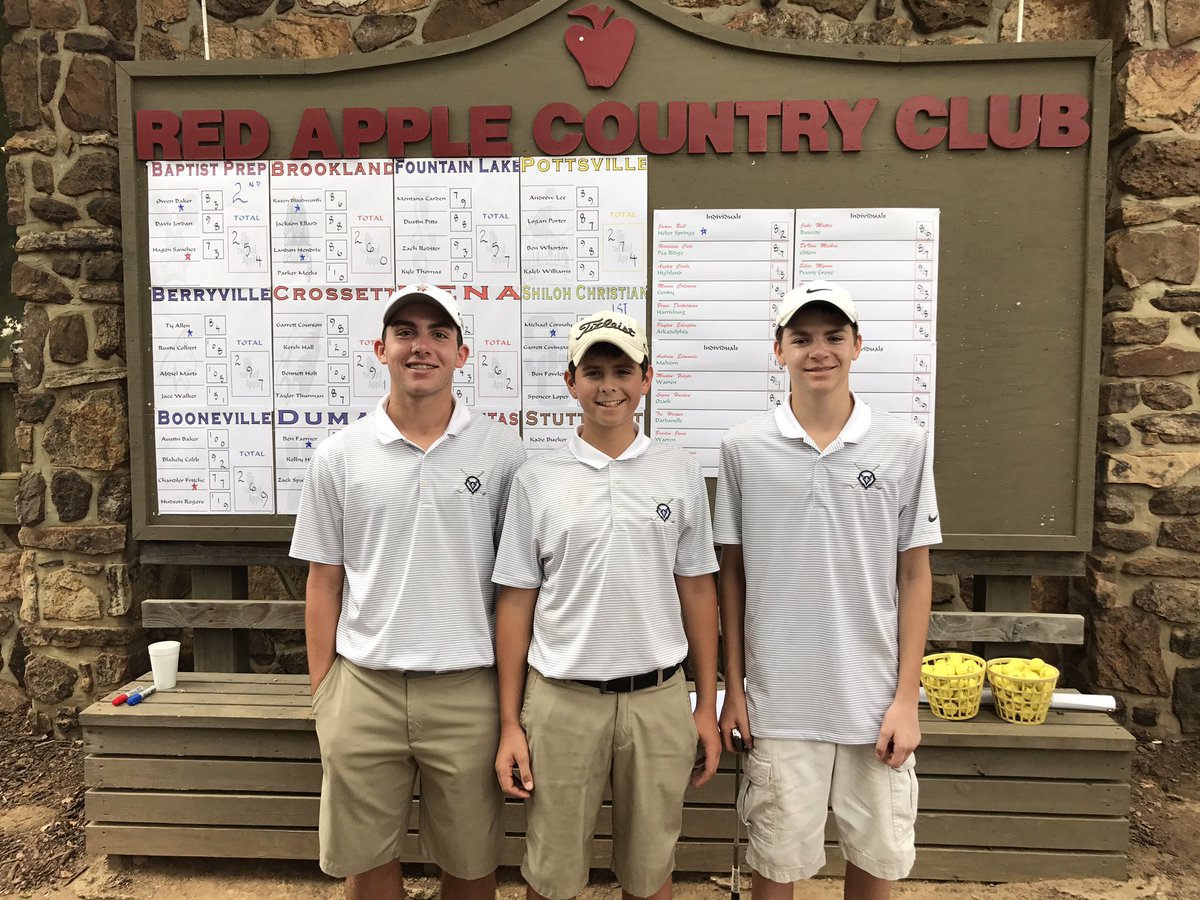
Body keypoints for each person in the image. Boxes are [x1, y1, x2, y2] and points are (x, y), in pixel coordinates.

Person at [290, 284, 526, 900]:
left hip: (467, 690)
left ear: (461, 353)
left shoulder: (503, 454)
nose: (421, 346)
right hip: (364, 688)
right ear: (381, 348)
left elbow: (516, 589)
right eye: (406, 333)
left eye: (438, 334)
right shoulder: (338, 455)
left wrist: (508, 709)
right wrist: (325, 695)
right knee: (366, 867)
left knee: (472, 867)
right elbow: (323, 580)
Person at [715, 281, 941, 900]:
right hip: (778, 701)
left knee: (877, 859)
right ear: (779, 349)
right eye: (802, 338)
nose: (819, 351)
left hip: (874, 702)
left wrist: (905, 698)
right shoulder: (742, 447)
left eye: (834, 336)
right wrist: (733, 691)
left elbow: (914, 574)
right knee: (777, 865)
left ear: (858, 345)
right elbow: (731, 574)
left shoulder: (903, 445)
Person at [492, 311, 722, 900]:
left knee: (651, 873)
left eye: (623, 369)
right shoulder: (536, 478)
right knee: (552, 871)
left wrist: (703, 704)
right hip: (564, 702)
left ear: (647, 378)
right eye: (593, 371)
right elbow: (517, 603)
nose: (609, 385)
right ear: (571, 382)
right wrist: (510, 722)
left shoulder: (679, 470)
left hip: (659, 700)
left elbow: (697, 589)